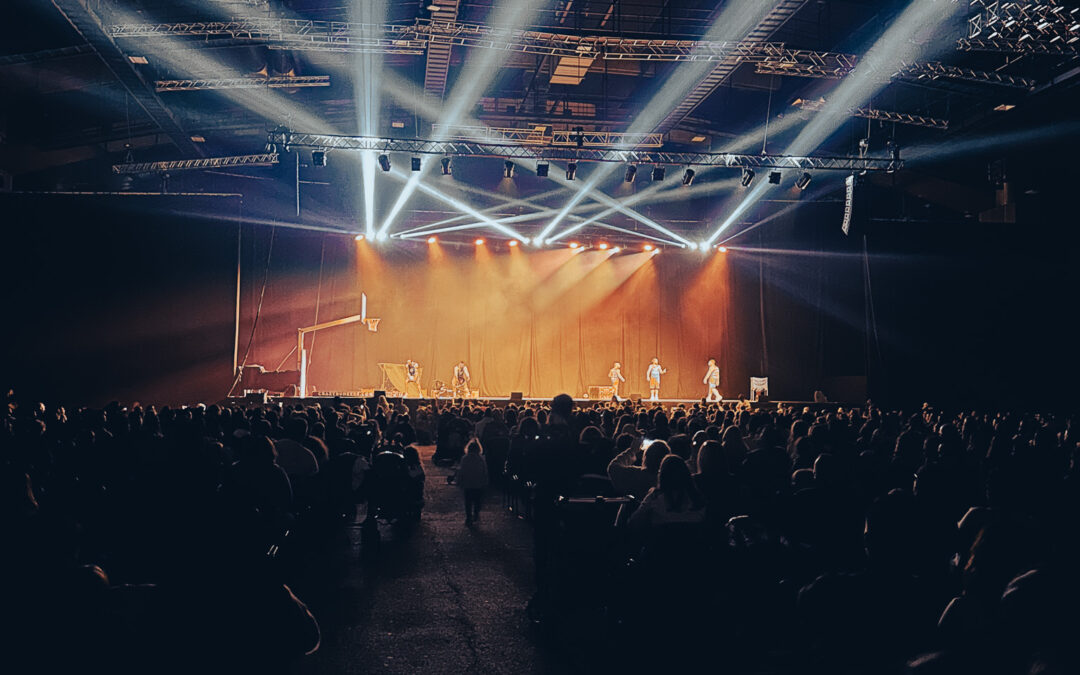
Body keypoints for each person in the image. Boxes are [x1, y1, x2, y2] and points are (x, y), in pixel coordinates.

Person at [457, 439, 489, 525]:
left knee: (468, 502)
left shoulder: (464, 459)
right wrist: (485, 482)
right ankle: (476, 513)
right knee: (477, 500)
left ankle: (468, 517)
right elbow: (485, 472)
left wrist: (459, 481)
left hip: (467, 484)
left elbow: (461, 471)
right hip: (478, 484)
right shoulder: (481, 459)